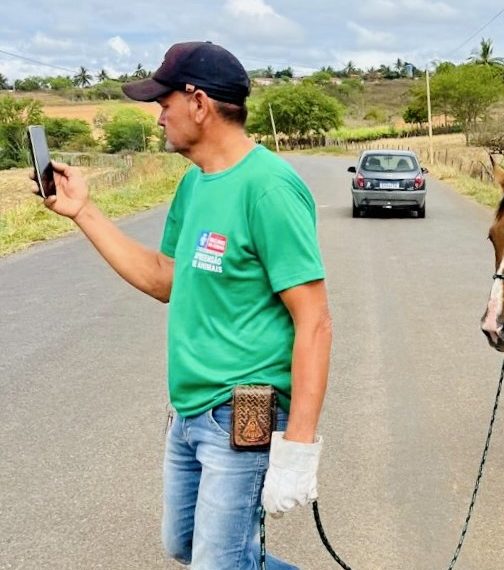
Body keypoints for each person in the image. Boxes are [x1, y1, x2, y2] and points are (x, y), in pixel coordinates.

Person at [34, 41, 332, 569]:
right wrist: (84, 212)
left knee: (217, 563)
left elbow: (314, 322)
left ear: (199, 103)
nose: (158, 117)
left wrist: (299, 447)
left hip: (242, 414)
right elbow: (163, 277)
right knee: (187, 546)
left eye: (163, 102)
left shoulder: (269, 189)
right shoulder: (194, 184)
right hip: (189, 413)